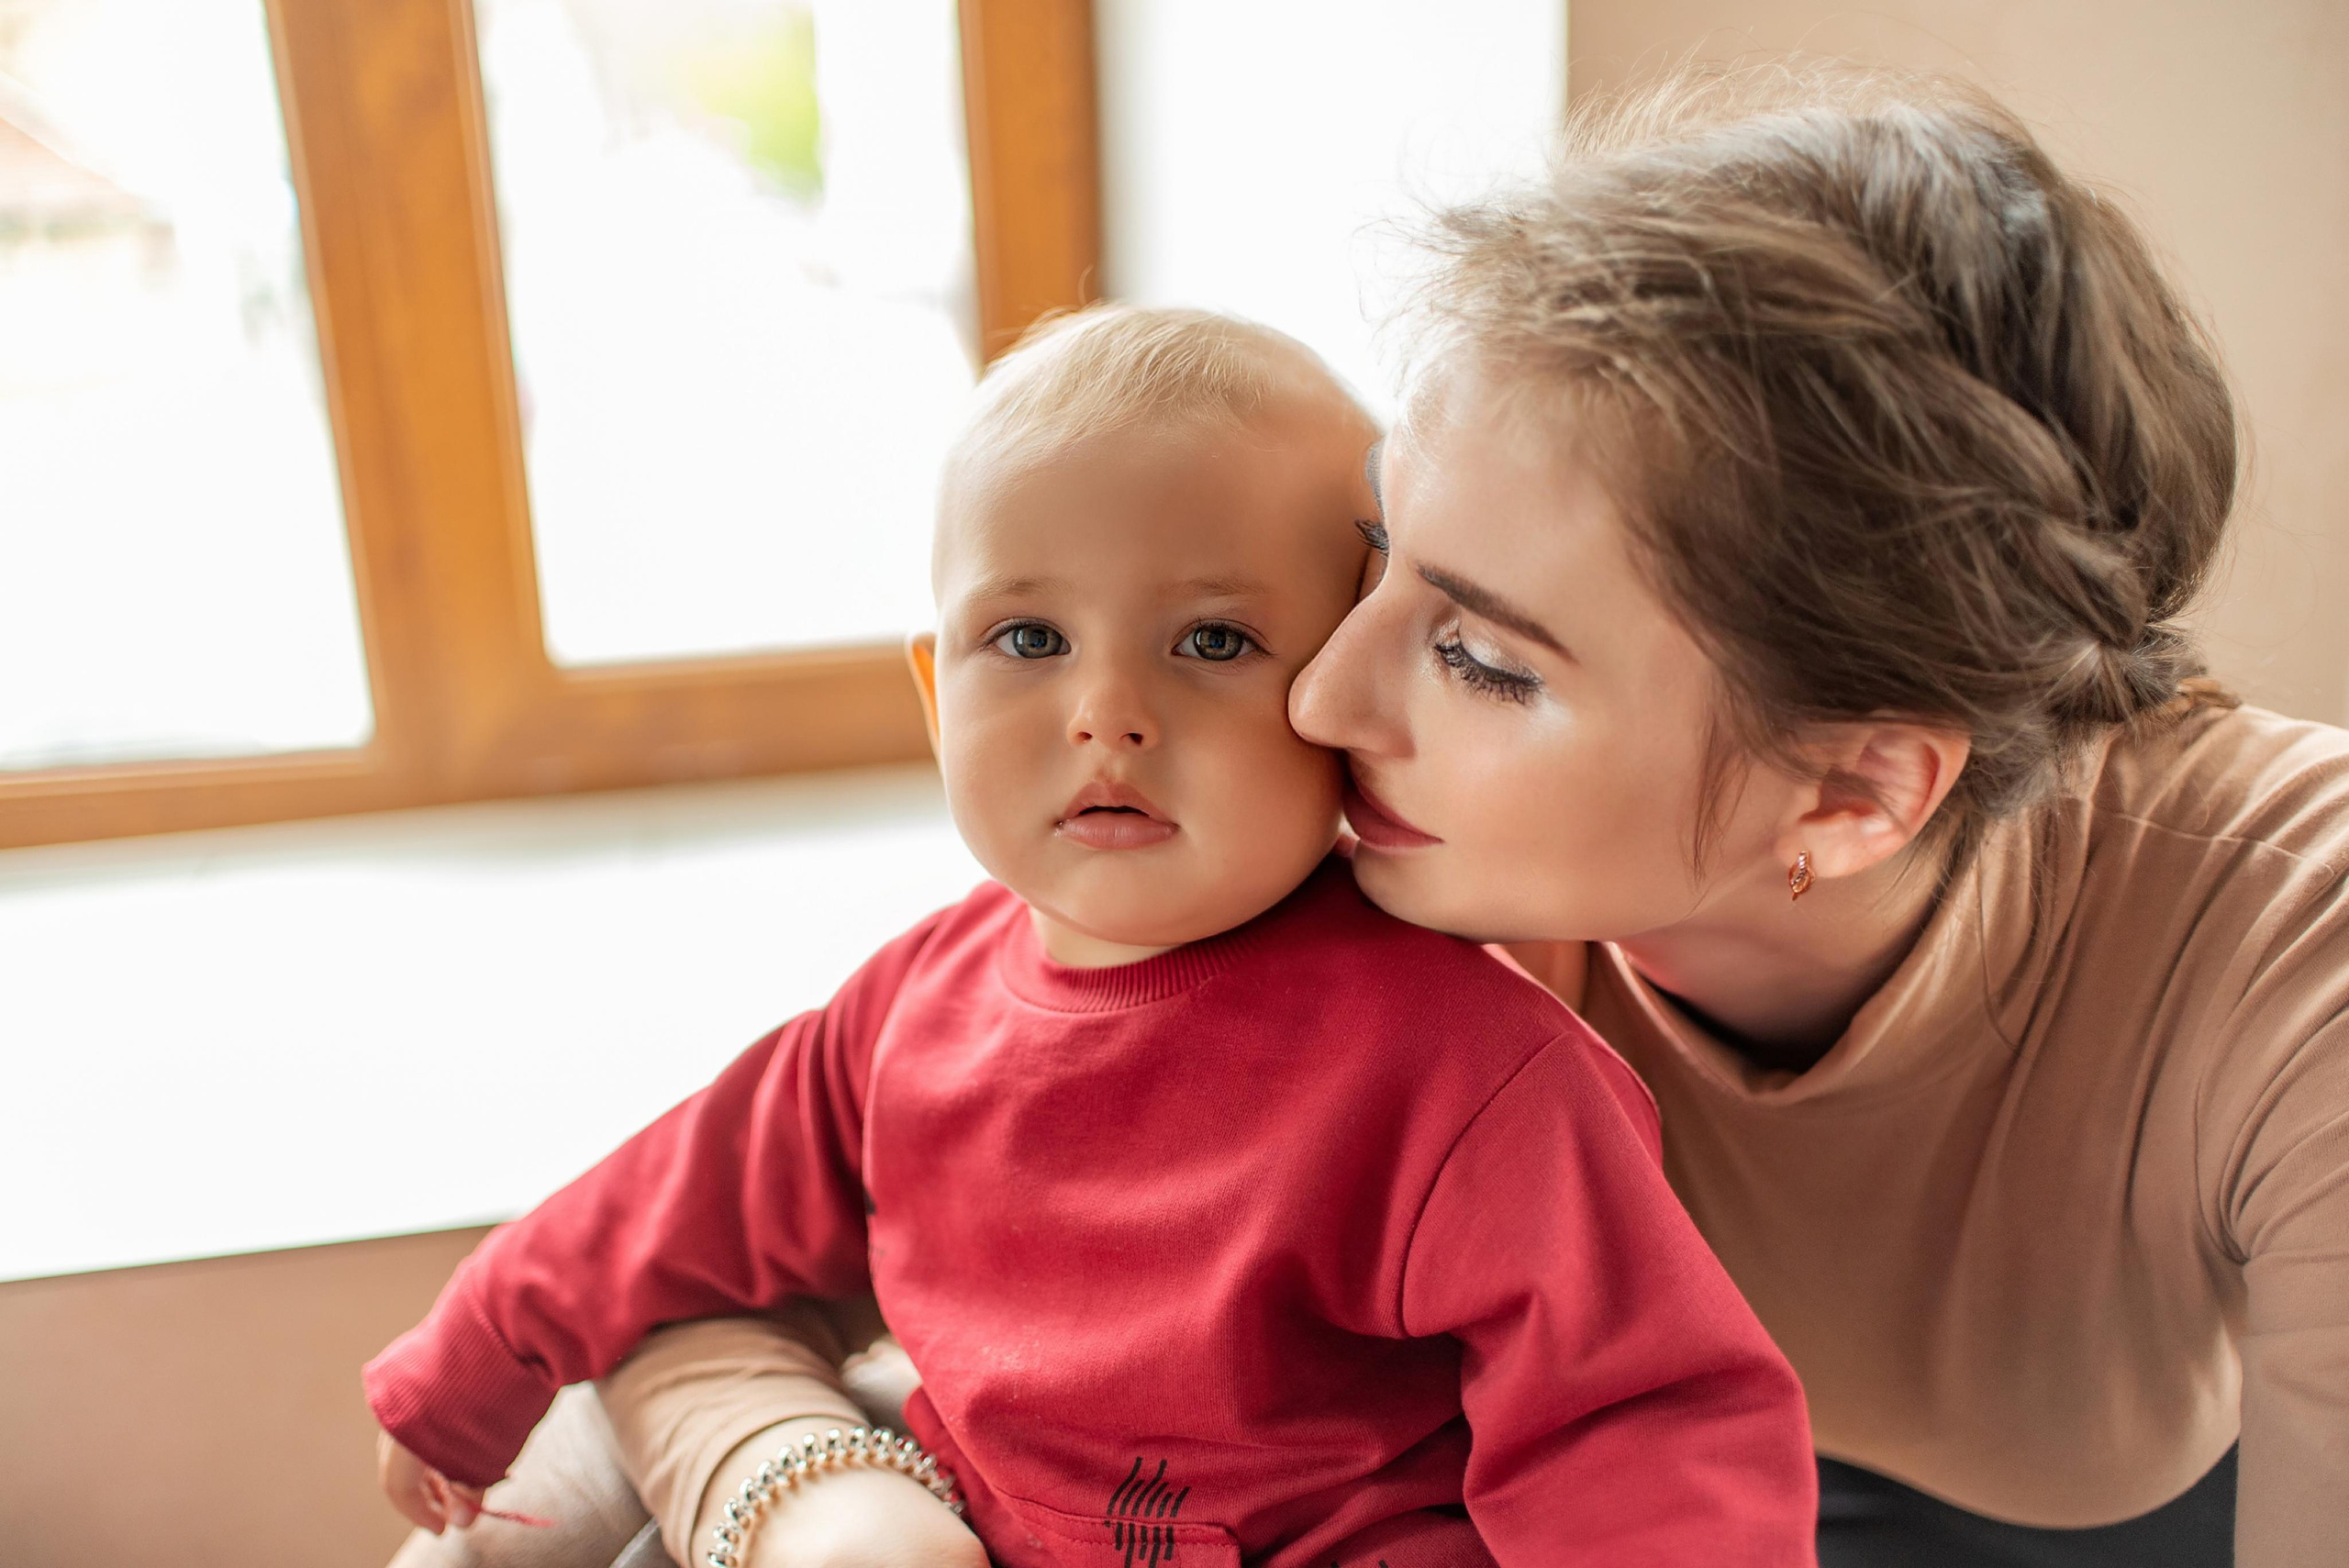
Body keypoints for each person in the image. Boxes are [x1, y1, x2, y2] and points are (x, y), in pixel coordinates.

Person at [383, 64, 2349, 1568]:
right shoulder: (1326, 862)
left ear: (1843, 788)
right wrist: (804, 1499)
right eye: (1379, 564)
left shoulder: (2293, 955)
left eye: (1483, 658)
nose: (1318, 694)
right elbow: (742, 1242)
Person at [364, 305, 1819, 1568]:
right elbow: (668, 1202)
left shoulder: (1470, 1074)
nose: (1105, 713)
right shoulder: (908, 1009)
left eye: (1210, 642)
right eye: (1031, 639)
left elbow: (1646, 1425)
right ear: (939, 692)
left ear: (1344, 690)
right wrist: (472, 1359)